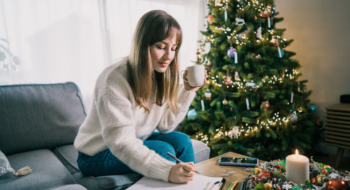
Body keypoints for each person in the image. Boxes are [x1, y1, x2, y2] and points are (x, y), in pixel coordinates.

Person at [74, 10, 206, 184]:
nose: (169, 56)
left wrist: (188, 91)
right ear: (144, 44)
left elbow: (165, 126)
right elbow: (121, 142)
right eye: (161, 46)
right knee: (163, 149)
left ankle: (194, 186)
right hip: (97, 152)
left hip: (135, 139)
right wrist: (167, 170)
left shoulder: (161, 74)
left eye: (173, 49)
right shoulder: (114, 79)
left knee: (181, 141)